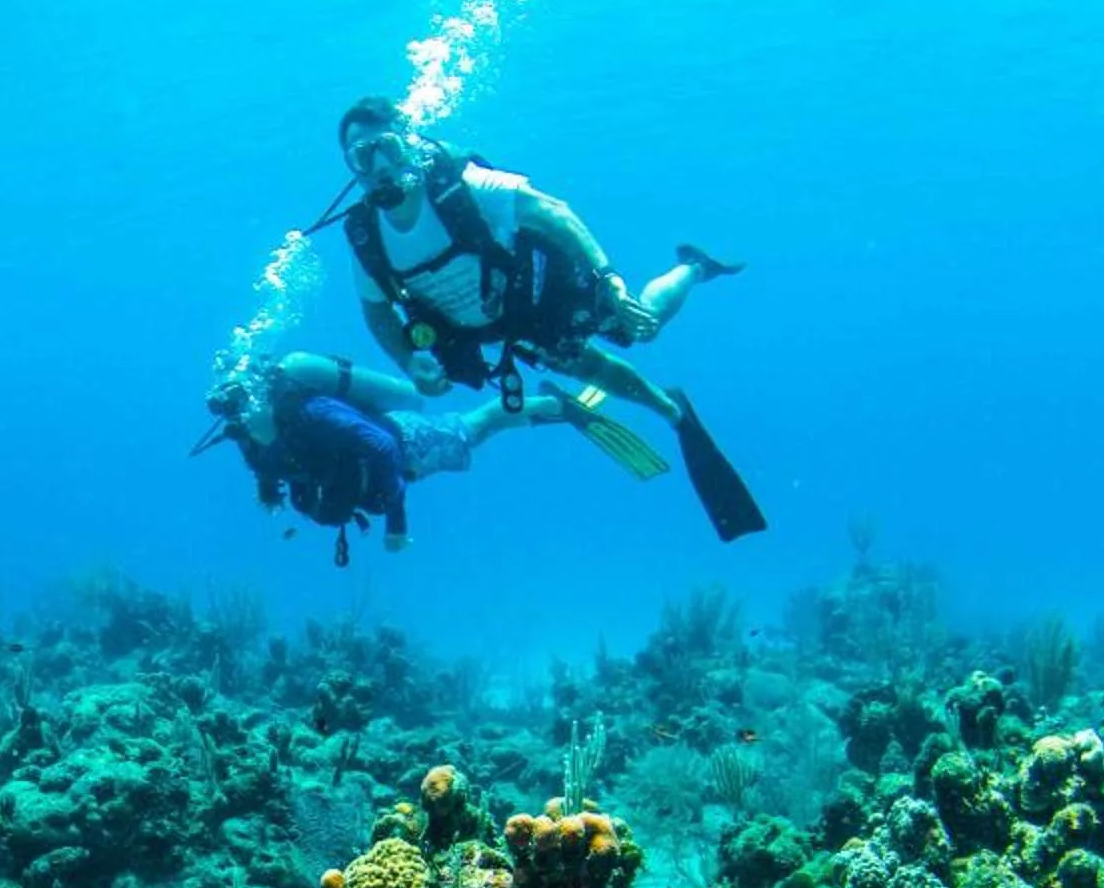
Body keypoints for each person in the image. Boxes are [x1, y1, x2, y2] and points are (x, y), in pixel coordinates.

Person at [318, 95, 765, 541]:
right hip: (494, 324)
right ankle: (669, 410)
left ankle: (694, 267)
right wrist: (407, 360)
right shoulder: (365, 236)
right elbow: (375, 309)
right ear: (351, 169)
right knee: (585, 365)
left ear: (410, 145)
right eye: (361, 155)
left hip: (540, 292)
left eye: (388, 148)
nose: (378, 165)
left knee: (641, 325)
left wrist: (609, 279)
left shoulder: (461, 185)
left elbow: (552, 212)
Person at [189, 351, 669, 565]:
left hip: (405, 443)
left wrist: (397, 525)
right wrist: (269, 492)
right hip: (366, 470)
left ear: (263, 397)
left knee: (474, 427)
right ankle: (544, 405)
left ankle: (553, 405)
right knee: (474, 427)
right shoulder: (245, 435)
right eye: (233, 416)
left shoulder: (311, 411)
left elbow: (378, 448)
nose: (242, 422)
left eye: (246, 411)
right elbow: (267, 466)